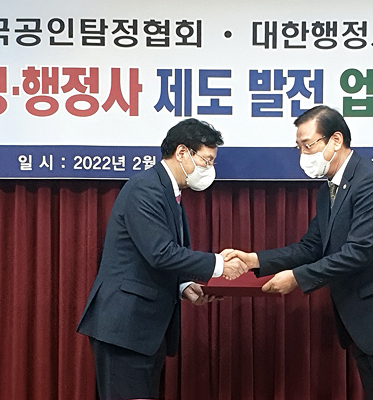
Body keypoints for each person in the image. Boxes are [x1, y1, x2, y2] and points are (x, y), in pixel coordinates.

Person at [225, 105, 373, 400]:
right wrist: (254, 260)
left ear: (335, 140)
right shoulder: (330, 190)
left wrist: (297, 278)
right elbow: (311, 247)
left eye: (308, 145)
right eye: (299, 147)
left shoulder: (372, 182)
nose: (303, 154)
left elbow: (359, 252)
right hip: (368, 328)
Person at [77, 118, 247, 400]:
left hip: (144, 331)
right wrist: (219, 265)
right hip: (125, 328)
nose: (209, 168)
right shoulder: (146, 188)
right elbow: (160, 253)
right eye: (206, 160)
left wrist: (183, 286)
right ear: (182, 152)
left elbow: (154, 256)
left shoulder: (169, 193)